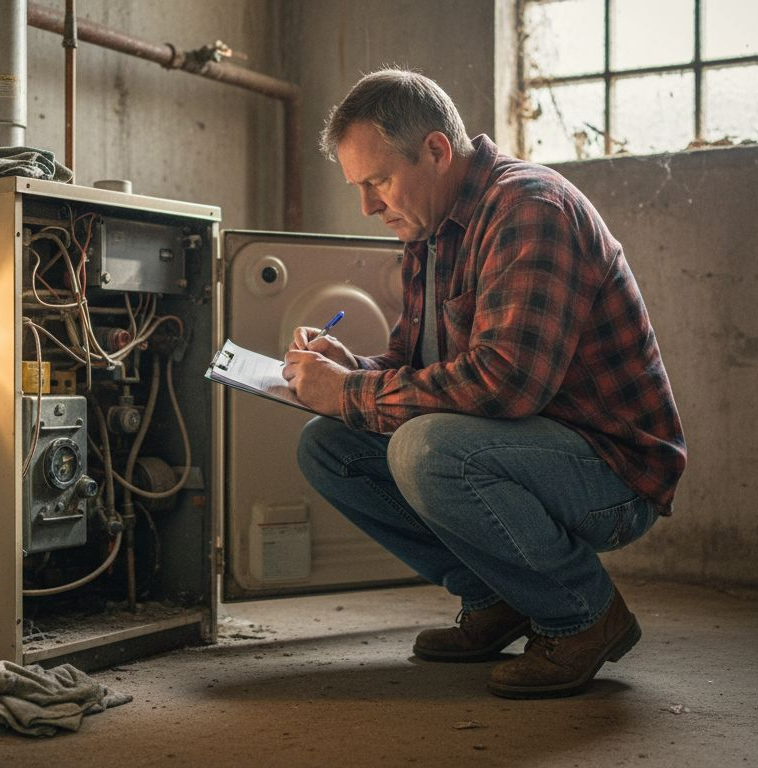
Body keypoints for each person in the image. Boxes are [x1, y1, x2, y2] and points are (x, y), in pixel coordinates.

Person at [281, 69, 686, 699]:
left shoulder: (530, 208)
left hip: (611, 473)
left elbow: (506, 385)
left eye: (379, 181)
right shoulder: (429, 228)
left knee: (427, 449)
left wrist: (351, 393)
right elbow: (413, 368)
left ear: (437, 151)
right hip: (524, 451)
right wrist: (348, 371)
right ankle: (498, 598)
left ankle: (584, 616)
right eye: (359, 186)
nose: (367, 206)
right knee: (326, 444)